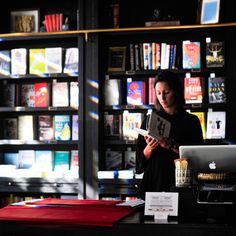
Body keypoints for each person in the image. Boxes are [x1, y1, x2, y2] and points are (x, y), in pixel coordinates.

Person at [136, 70, 204, 199]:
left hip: (181, 184)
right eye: (158, 93)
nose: (162, 98)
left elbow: (198, 160)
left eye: (166, 92)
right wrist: (149, 148)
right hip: (153, 185)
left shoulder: (191, 121)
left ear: (176, 91)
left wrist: (172, 145)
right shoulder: (149, 120)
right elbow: (138, 167)